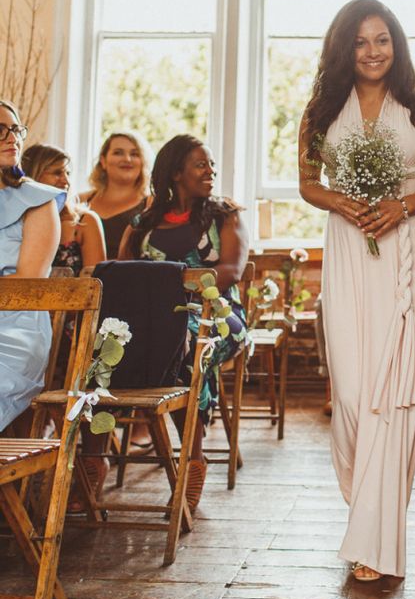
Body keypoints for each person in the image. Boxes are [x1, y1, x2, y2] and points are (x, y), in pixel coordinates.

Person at [298, 0, 415, 582]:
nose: (372, 51)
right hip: (347, 249)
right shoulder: (319, 111)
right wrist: (344, 201)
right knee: (357, 393)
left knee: (398, 388)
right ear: (344, 48)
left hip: (405, 249)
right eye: (360, 42)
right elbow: (309, 182)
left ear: (397, 44)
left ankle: (376, 535)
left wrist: (399, 206)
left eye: (382, 39)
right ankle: (368, 512)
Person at [120, 134, 248, 510]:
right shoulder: (144, 220)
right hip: (152, 318)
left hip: (218, 316)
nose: (210, 171)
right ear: (176, 172)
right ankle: (90, 467)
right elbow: (122, 271)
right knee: (102, 348)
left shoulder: (225, 214)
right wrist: (159, 298)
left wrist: (170, 290)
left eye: (211, 165)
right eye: (200, 164)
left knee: (186, 344)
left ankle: (193, 459)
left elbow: (229, 271)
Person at [0, 100, 64, 433]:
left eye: (16, 129)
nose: (12, 138)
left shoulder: (37, 201)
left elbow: (26, 286)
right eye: (1, 130)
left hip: (15, 328)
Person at [22, 144, 106, 276]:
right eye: (57, 173)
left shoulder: (85, 221)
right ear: (34, 175)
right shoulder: (16, 219)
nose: (66, 180)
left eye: (68, 173)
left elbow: (95, 284)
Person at [81, 131, 152, 259]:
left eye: (134, 154)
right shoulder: (81, 200)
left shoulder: (151, 203)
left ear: (142, 162)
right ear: (103, 161)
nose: (127, 159)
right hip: (83, 278)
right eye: (118, 152)